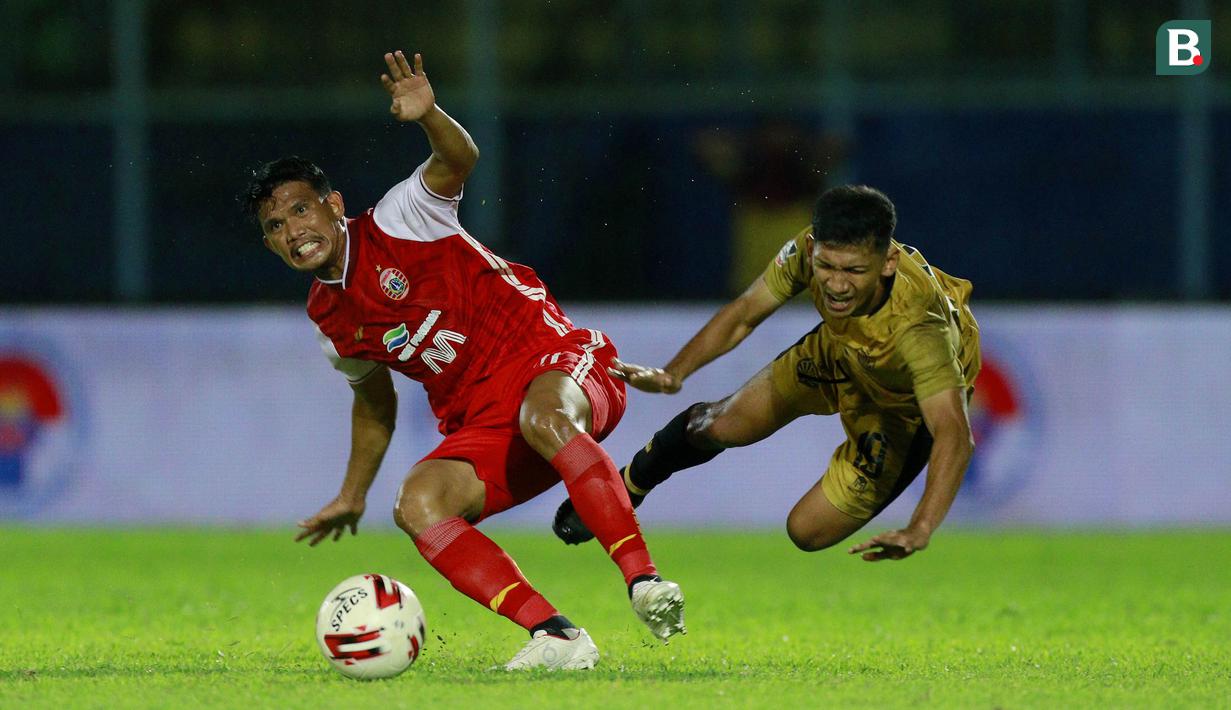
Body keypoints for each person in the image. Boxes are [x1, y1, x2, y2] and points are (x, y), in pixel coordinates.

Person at [241, 50, 684, 671]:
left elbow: (458, 160)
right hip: (482, 421)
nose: (293, 230)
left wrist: (430, 116)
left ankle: (644, 582)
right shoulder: (329, 318)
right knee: (417, 504)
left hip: (557, 362)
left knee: (545, 415)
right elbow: (374, 404)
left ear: (334, 204)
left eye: (300, 209)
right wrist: (351, 494)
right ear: (269, 243)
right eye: (275, 225)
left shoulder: (402, 217)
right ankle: (556, 636)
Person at [553, 185, 980, 562]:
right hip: (837, 352)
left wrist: (919, 528)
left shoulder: (921, 328)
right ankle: (626, 487)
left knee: (808, 532)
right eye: (827, 266)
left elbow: (954, 432)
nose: (836, 285)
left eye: (854, 271)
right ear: (814, 247)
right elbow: (743, 314)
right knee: (715, 425)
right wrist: (672, 373)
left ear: (888, 262)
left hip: (899, 408)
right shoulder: (805, 251)